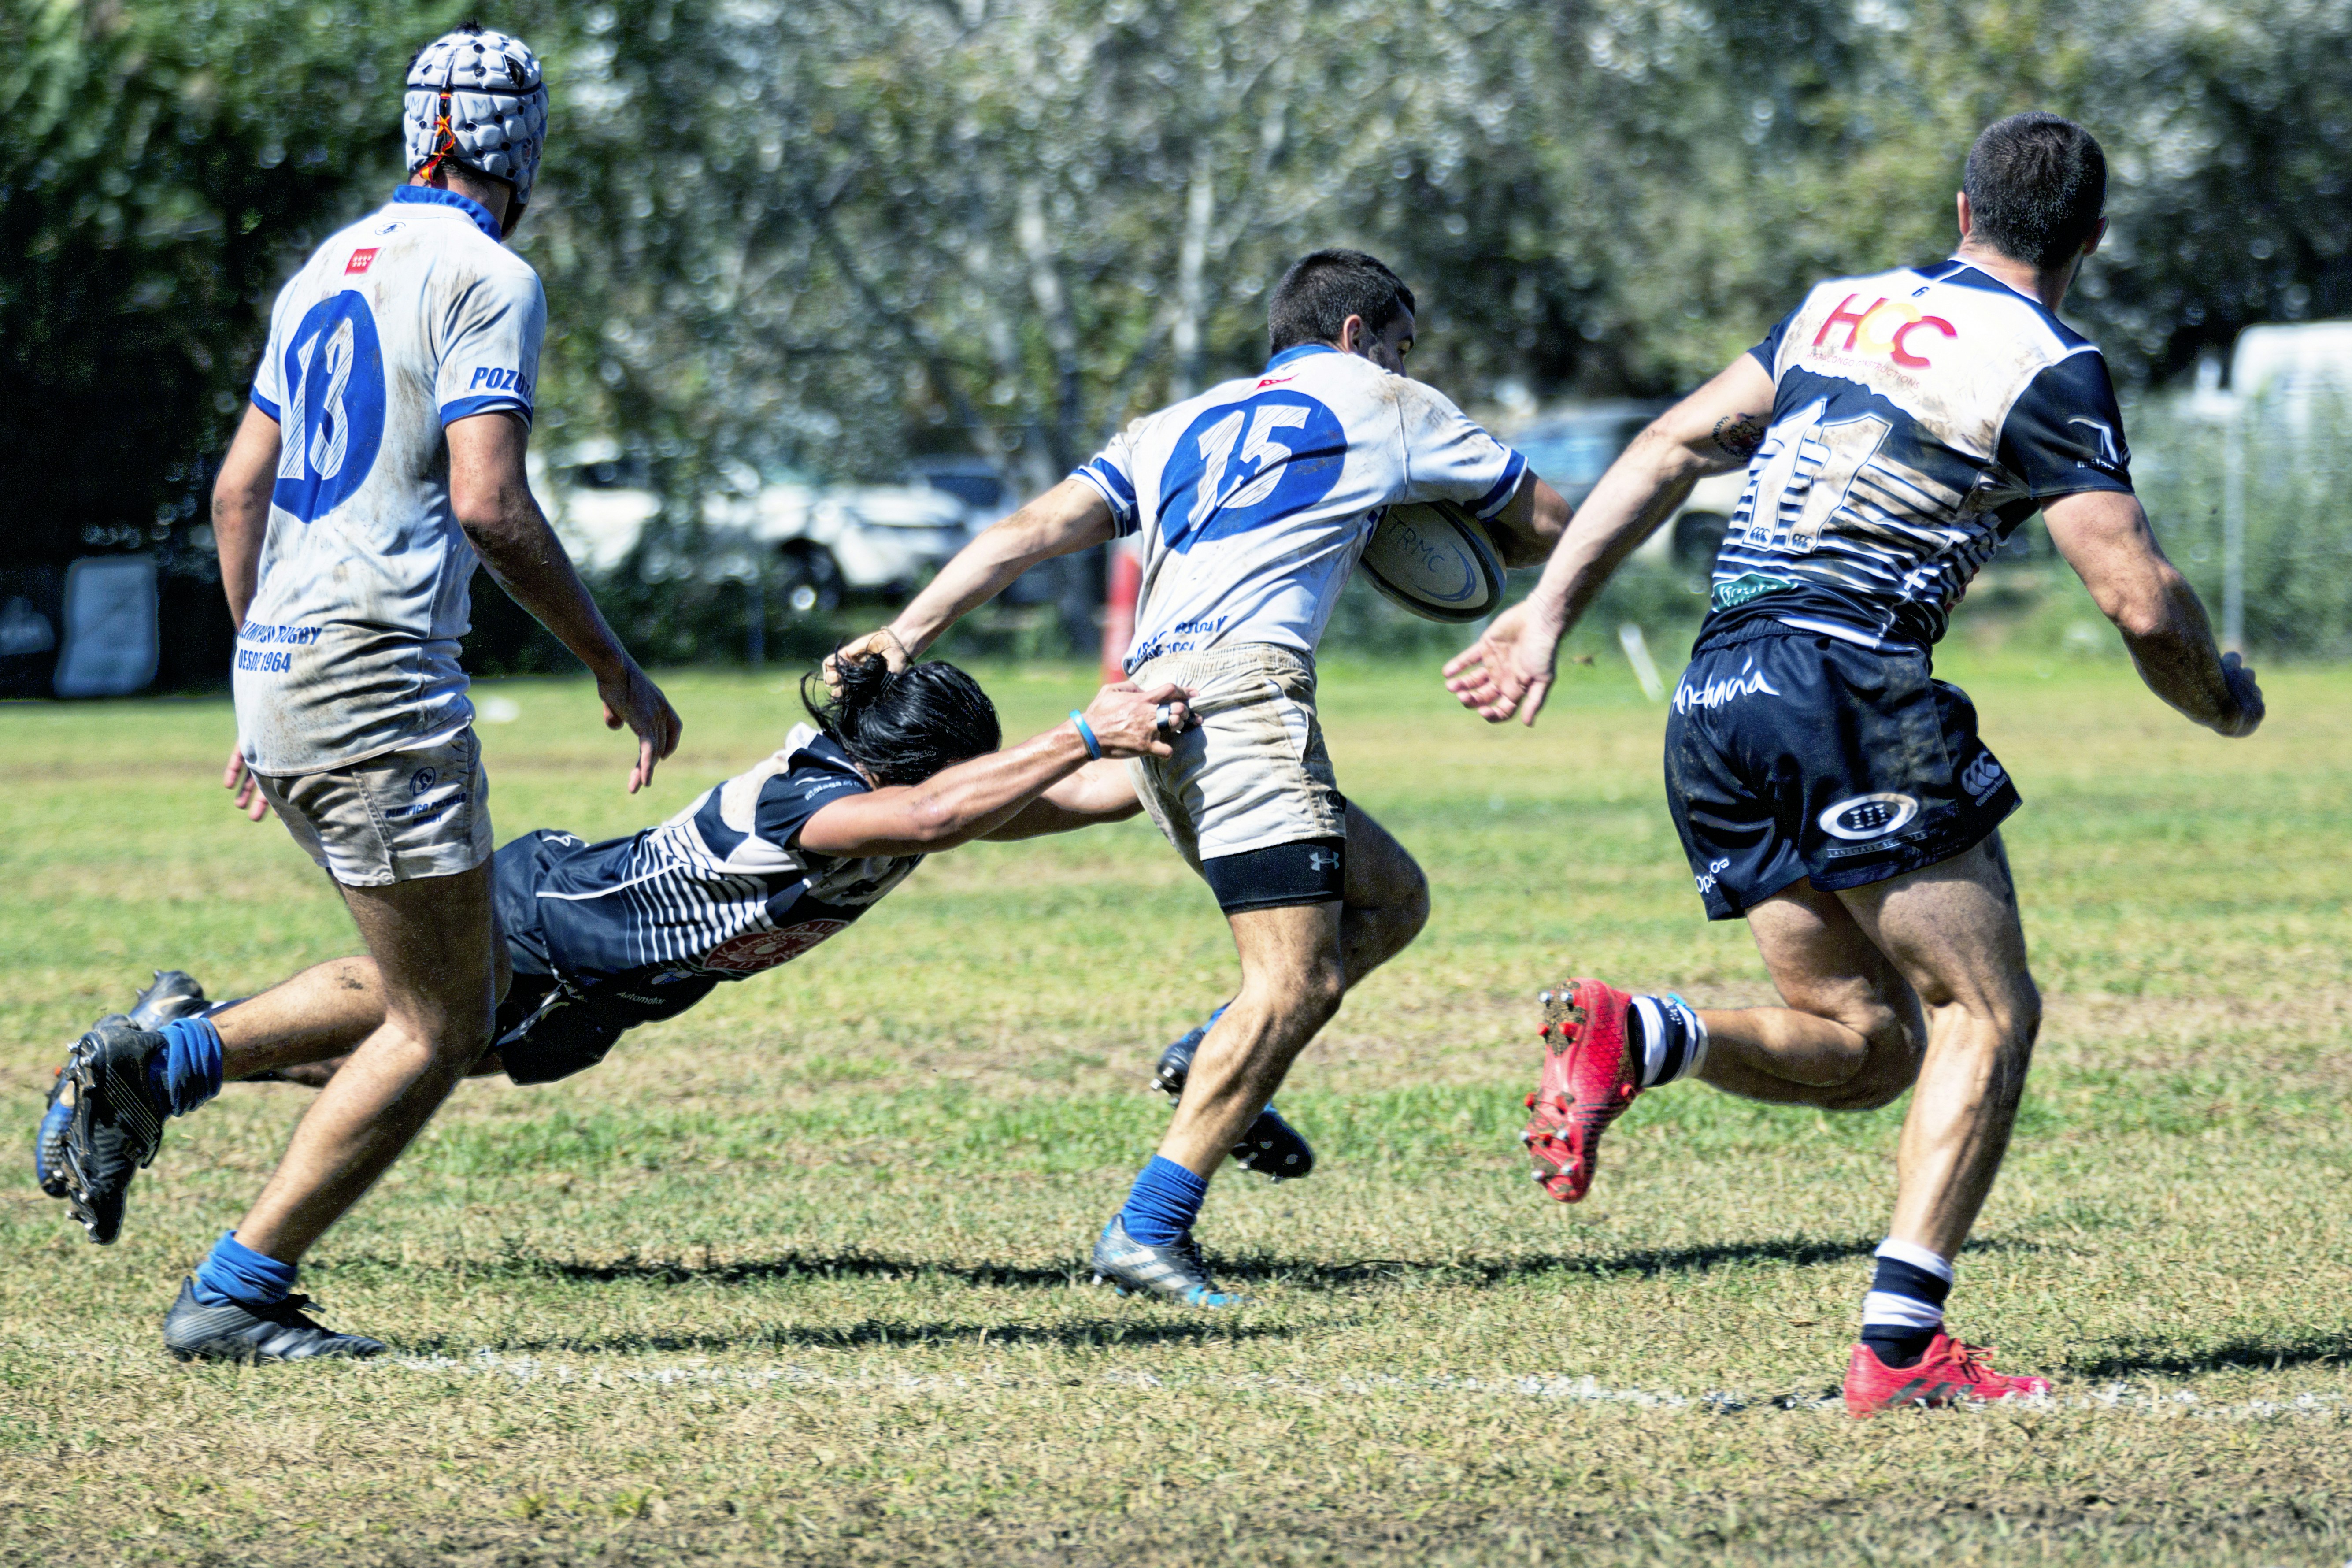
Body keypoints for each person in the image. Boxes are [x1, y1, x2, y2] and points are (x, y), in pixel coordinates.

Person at [1442, 113, 2265, 1415]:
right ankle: (1898, 1355)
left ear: (1960, 213)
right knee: (1985, 1015)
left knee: (1865, 1040)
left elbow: (1667, 443)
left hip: (1717, 694)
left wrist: (1543, 615)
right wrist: (2221, 701)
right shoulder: (2048, 361)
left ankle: (1639, 1035)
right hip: (1846, 683)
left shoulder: (1838, 307)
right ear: (2090, 242)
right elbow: (2142, 602)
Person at [56, 26, 684, 1354]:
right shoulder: (486, 274)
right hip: (377, 673)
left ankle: (157, 1063)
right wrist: (613, 665)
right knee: (448, 1020)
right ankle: (236, 1291)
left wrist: (255, 672)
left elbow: (240, 491)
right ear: (519, 146)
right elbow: (492, 507)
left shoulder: (322, 269)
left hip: (284, 669)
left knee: (446, 968)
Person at [43, 659, 1197, 1360]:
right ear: (904, 773)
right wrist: (1088, 728)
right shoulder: (826, 806)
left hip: (603, 984)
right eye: (962, 772)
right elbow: (957, 812)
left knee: (405, 1056)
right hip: (559, 921)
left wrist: (1174, 744)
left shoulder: (904, 806)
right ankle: (171, 1056)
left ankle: (173, 1041)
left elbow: (1078, 794)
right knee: (417, 1029)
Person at [838, 250, 1572, 1306]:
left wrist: (908, 629)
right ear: (1361, 335)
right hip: (1246, 700)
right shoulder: (1389, 400)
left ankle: (1211, 1051)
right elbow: (1552, 522)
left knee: (1393, 896)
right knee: (1297, 982)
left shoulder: (1172, 425)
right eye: (1404, 345)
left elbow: (1028, 532)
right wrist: (1475, 534)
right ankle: (1148, 1226)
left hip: (1154, 707)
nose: (1409, 364)